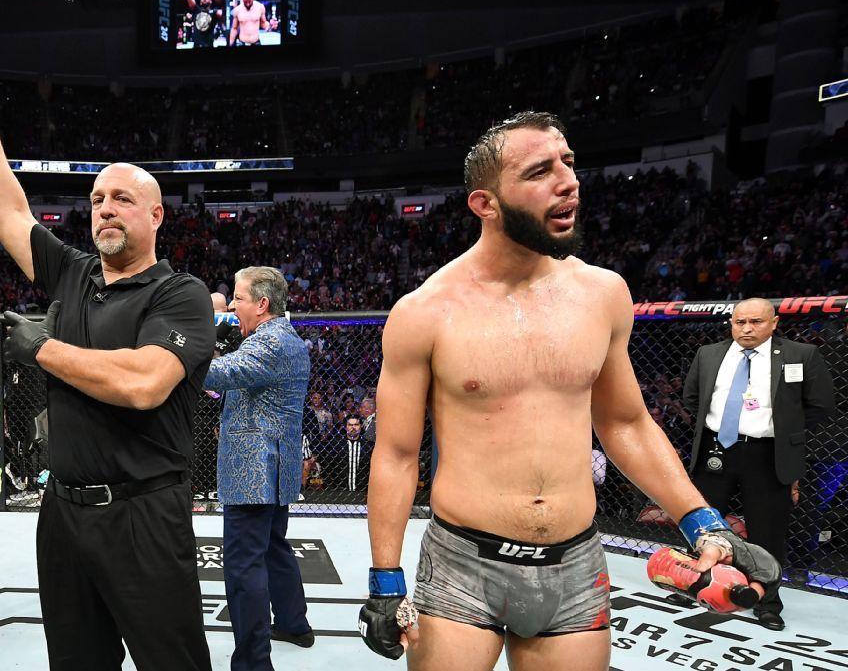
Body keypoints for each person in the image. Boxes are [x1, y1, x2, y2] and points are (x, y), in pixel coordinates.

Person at [360, 112, 780, 671]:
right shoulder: (424, 313)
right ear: (485, 204)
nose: (567, 181)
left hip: (575, 563)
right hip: (464, 563)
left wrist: (701, 520)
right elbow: (396, 452)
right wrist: (385, 580)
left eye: (569, 163)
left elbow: (625, 423)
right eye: (539, 171)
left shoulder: (602, 293)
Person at [0, 53, 214, 666]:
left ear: (155, 215)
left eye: (123, 199)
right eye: (98, 198)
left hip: (144, 515)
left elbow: (144, 384)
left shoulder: (178, 295)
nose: (104, 208)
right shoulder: (73, 273)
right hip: (63, 514)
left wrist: (42, 349)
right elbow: (5, 209)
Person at [679, 297, 836, 630]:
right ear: (731, 323)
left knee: (767, 531)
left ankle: (766, 601)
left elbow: (821, 405)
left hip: (768, 453)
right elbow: (692, 399)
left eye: (756, 322)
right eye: (740, 322)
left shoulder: (800, 355)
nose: (747, 329)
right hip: (716, 448)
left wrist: (782, 424)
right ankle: (693, 584)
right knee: (704, 521)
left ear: (774, 322)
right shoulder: (709, 354)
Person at [203, 266, 313, 671]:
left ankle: (253, 662)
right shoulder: (284, 338)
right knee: (273, 547)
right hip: (275, 468)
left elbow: (215, 373)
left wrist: (187, 342)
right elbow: (231, 380)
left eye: (240, 298)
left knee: (244, 563)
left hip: (253, 472)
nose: (232, 305)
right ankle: (294, 623)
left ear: (262, 304)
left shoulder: (267, 344)